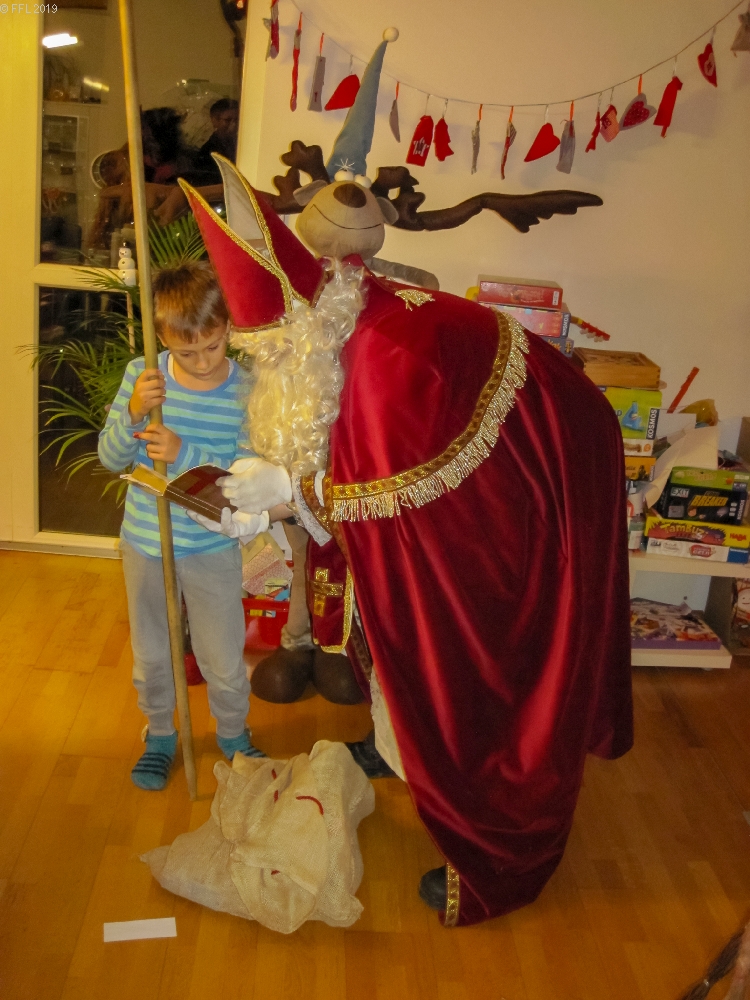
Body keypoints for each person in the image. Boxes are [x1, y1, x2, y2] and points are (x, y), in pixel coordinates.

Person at [180, 157, 634, 927]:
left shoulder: (386, 359)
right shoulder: (340, 318)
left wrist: (288, 493)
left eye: (273, 351)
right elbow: (354, 474)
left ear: (302, 324)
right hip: (472, 480)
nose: (268, 367)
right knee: (390, 615)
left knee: (466, 653)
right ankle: (404, 748)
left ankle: (498, 845)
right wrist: (269, 506)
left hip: (522, 501)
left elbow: (385, 492)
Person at [98, 261, 272, 790]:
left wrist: (182, 453)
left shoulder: (246, 391)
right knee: (153, 652)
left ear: (228, 328)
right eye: (184, 352)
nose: (200, 362)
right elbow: (110, 458)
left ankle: (234, 734)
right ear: (162, 338)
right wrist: (133, 413)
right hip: (145, 542)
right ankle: (159, 735)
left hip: (210, 545)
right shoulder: (144, 376)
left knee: (222, 655)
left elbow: (237, 483)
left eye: (212, 347)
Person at [192, 98, 240, 184]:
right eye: (228, 120)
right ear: (215, 121)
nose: (234, 124)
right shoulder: (207, 152)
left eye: (237, 120)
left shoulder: (241, 144)